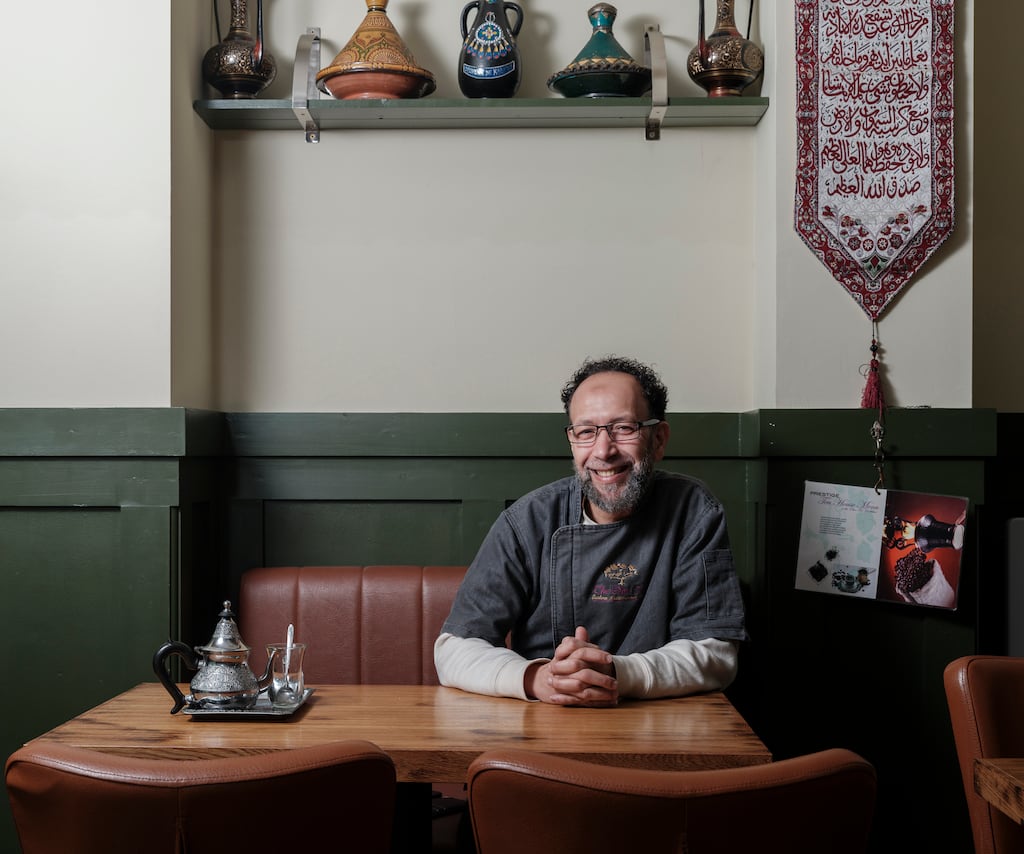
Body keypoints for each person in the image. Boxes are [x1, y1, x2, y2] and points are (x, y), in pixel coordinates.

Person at [434, 355, 747, 707]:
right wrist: (537, 678)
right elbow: (453, 650)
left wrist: (615, 673)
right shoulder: (527, 521)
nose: (603, 450)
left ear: (658, 439)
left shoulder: (694, 512)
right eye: (586, 432)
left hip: (656, 724)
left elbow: (717, 655)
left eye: (624, 428)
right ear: (572, 441)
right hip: (543, 726)